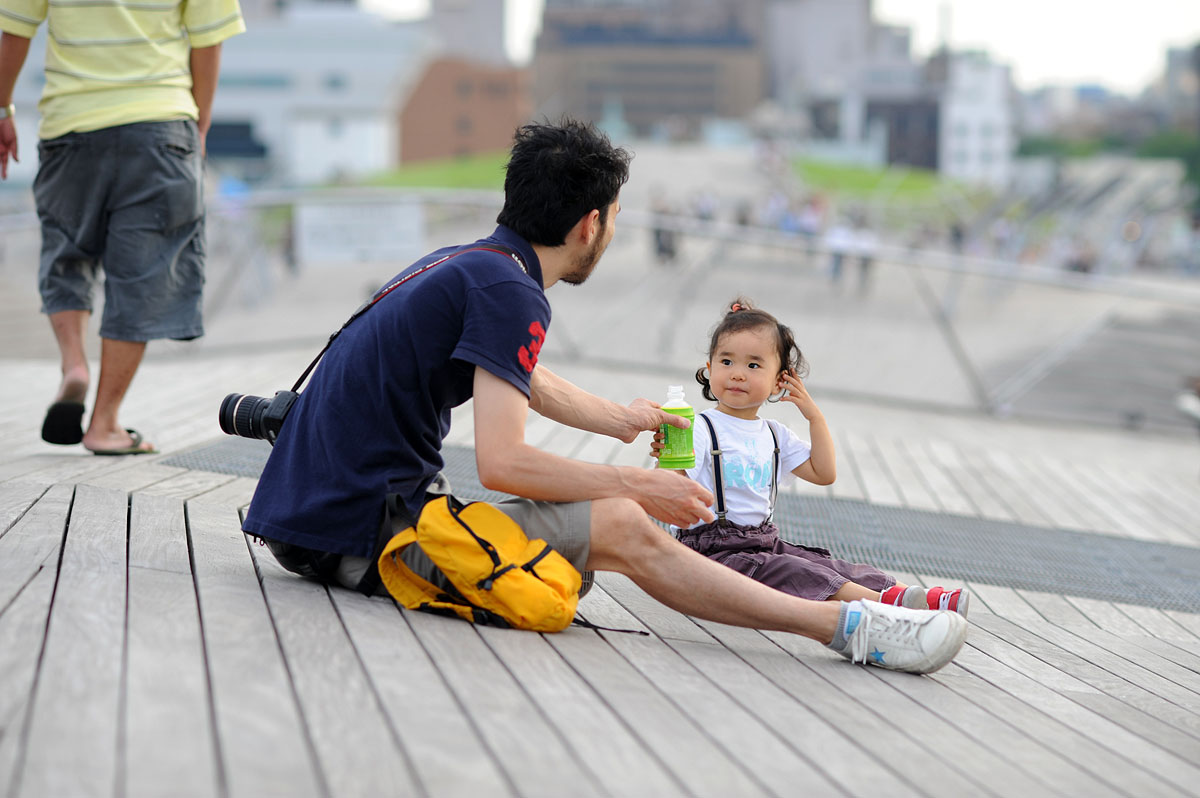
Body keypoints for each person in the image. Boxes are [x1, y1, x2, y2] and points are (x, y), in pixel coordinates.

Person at [241, 120, 967, 675]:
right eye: (613, 220)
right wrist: (637, 484)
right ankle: (852, 629)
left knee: (612, 513)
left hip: (311, 519)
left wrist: (620, 421)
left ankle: (848, 616)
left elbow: (520, 378)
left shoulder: (470, 265)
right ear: (591, 224)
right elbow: (502, 462)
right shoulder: (512, 293)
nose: (611, 234)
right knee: (621, 523)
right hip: (365, 540)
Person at [0, 0, 245, 454]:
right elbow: (208, 41)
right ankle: (105, 423)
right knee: (143, 277)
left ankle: (74, 364)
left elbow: (14, 29)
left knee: (65, 252)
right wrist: (198, 125)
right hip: (160, 125)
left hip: (71, 127)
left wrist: (2, 108)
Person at [652, 299, 969, 616]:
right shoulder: (702, 428)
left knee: (827, 565)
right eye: (726, 362)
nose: (737, 374)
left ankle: (913, 596)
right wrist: (668, 458)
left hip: (762, 543)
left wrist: (814, 417)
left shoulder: (775, 435)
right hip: (712, 553)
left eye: (753, 365)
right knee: (797, 572)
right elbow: (672, 485)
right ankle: (889, 608)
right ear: (709, 370)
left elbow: (824, 473)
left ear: (780, 381)